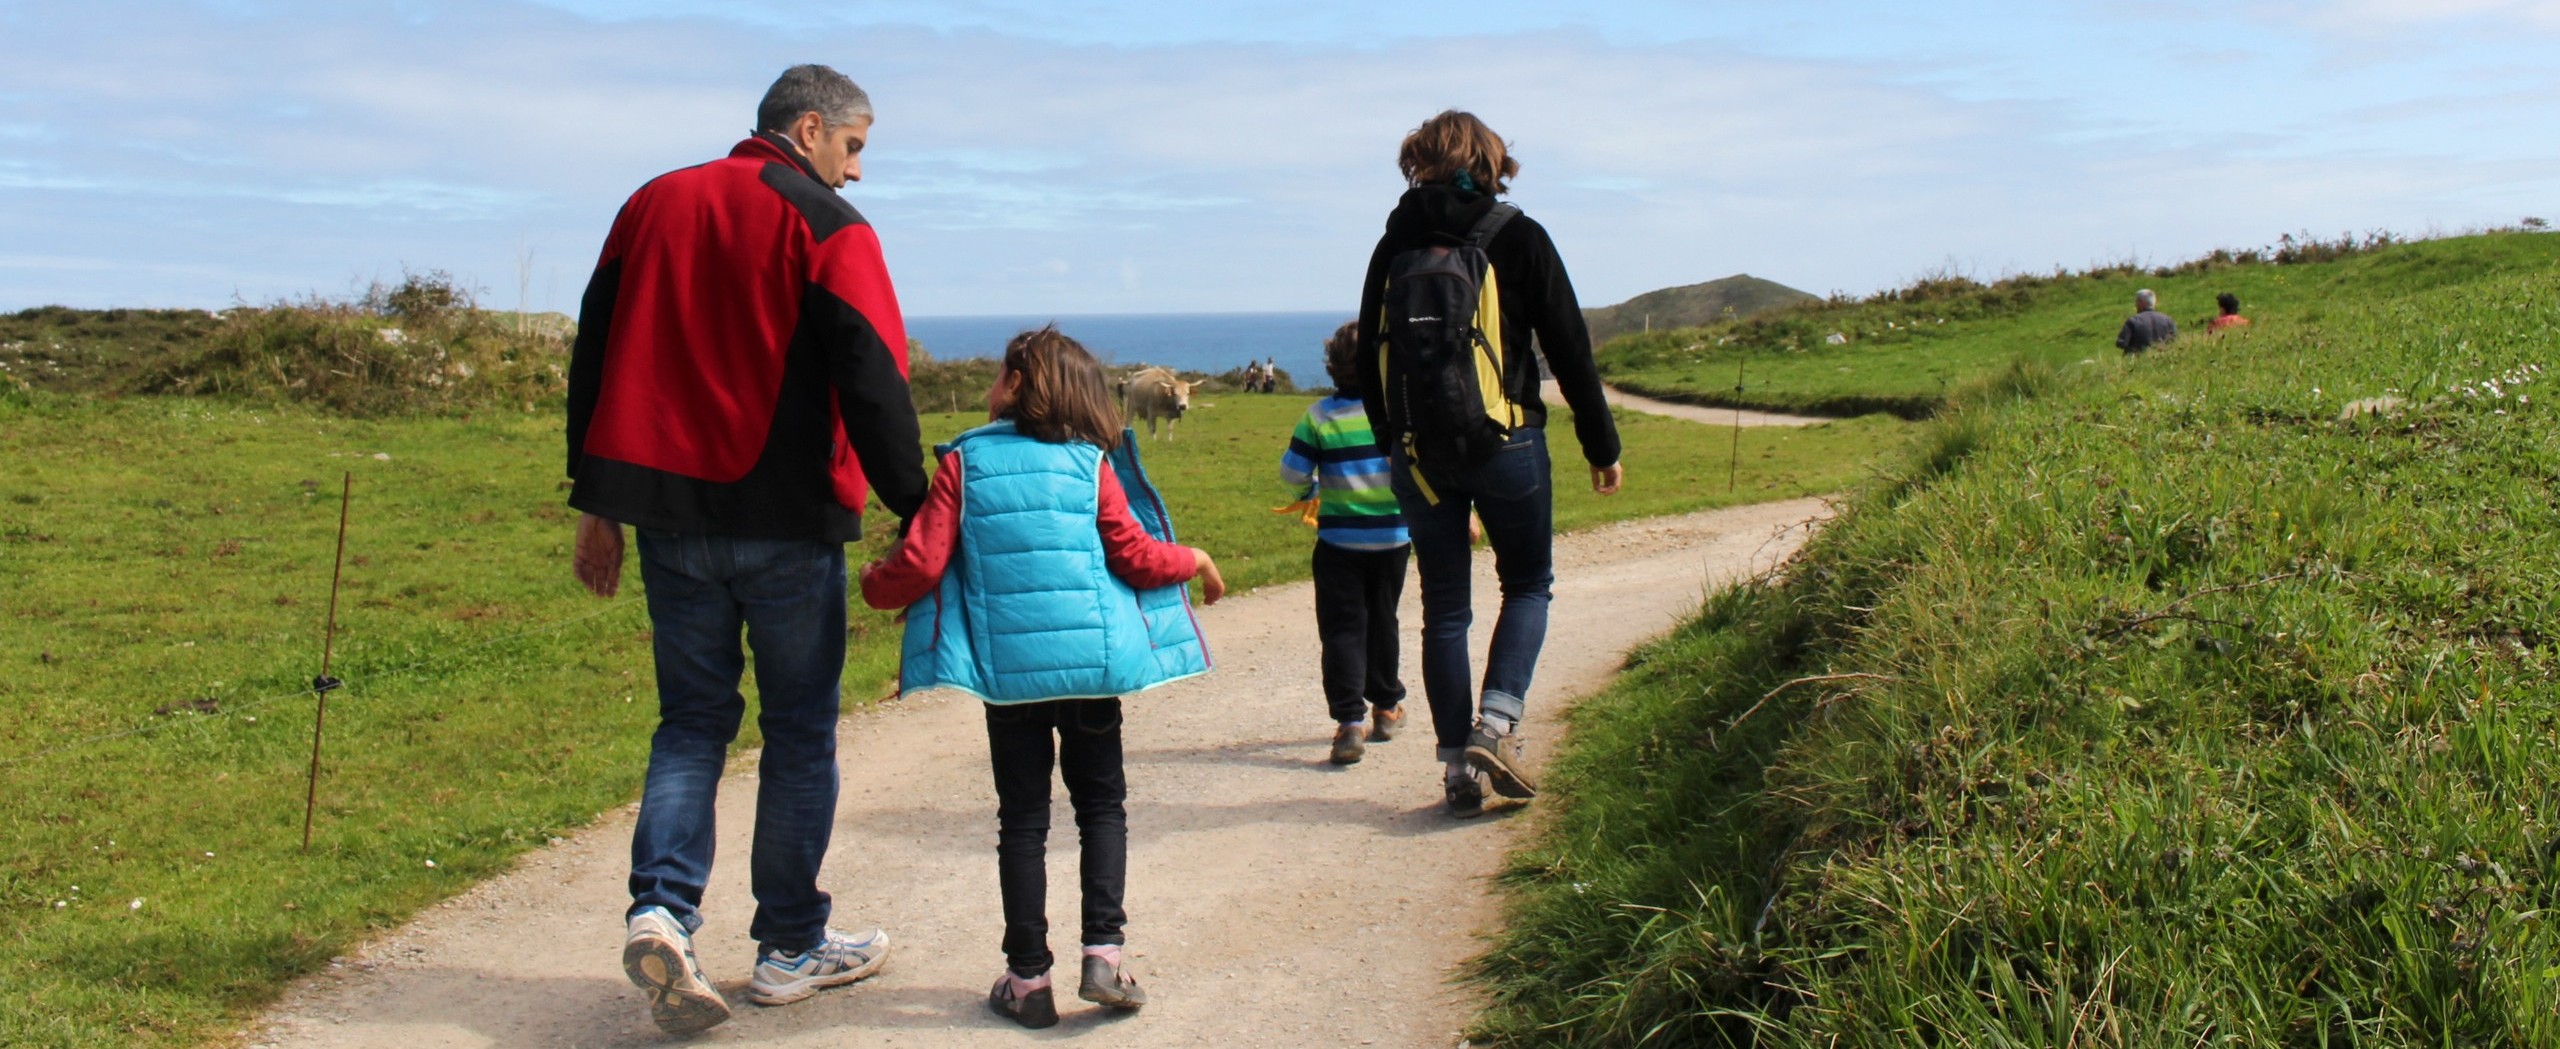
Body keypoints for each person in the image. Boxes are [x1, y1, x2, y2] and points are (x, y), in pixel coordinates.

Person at [564, 64, 927, 1035]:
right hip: (784, 520)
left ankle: (662, 910)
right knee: (799, 732)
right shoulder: (828, 226)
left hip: (668, 522)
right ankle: (789, 946)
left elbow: (593, 353)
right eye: (853, 147)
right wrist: (917, 505)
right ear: (808, 129)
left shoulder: (651, 203)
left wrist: (593, 500)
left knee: (690, 722)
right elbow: (873, 375)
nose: (856, 173)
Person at [857, 326, 1225, 1030]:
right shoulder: (1092, 465)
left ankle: (1028, 980)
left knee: (1022, 820)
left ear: (1020, 383)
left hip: (1011, 683)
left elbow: (921, 562)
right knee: (1101, 808)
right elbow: (1139, 558)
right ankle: (1105, 958)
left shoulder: (965, 462)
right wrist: (1197, 558)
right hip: (1092, 675)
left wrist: (874, 584)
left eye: (1001, 372)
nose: (994, 382)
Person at [1353, 110, 1623, 818]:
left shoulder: (1392, 245)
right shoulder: (1518, 236)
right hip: (1510, 443)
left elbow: (1367, 358)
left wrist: (1392, 443)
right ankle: (1496, 727)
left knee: (1445, 607)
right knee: (1528, 582)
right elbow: (1570, 349)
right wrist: (1602, 446)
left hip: (1419, 455)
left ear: (1419, 162)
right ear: (1491, 161)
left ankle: (1454, 771)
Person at [1280, 321, 1411, 766]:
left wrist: (1309, 494)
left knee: (1342, 629)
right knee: (1384, 620)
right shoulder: (1398, 413)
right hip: (1394, 540)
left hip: (1338, 543)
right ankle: (1388, 708)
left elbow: (1293, 473)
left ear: (1333, 366)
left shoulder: (1319, 416)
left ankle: (1349, 723)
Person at [2116, 288, 2178, 353]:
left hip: (2138, 360)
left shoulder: (2133, 321)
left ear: (2141, 302)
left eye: (2137, 301)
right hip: (2162, 359)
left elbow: (2121, 343)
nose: (2135, 305)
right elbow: (2174, 341)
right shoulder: (2168, 320)